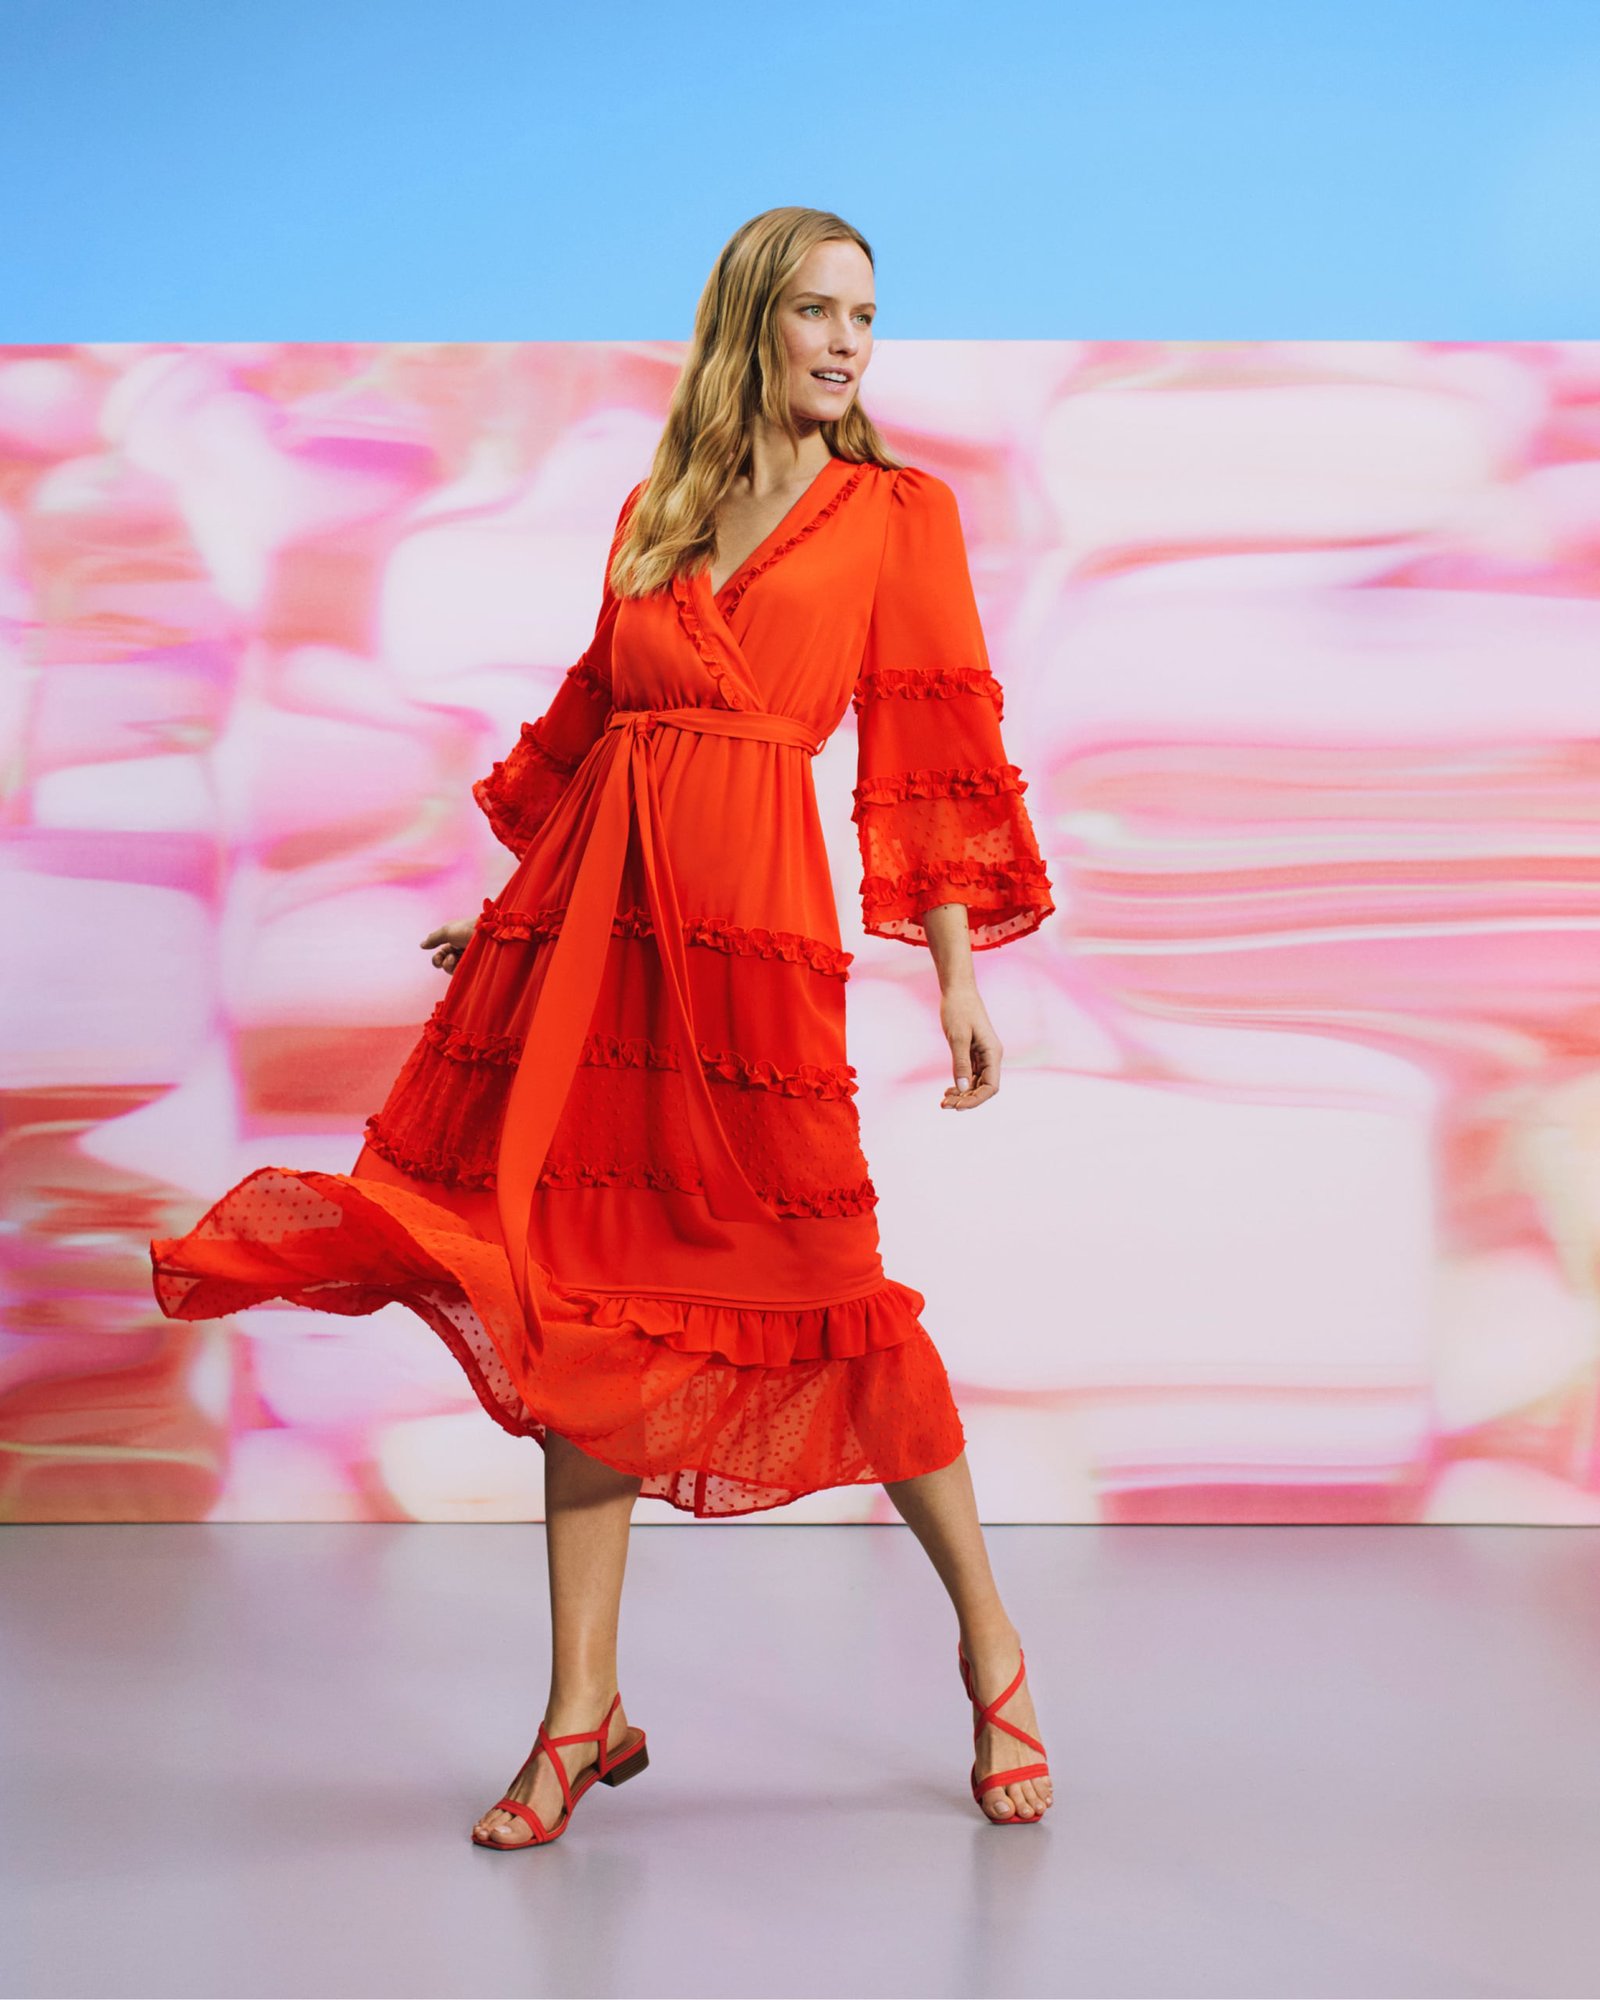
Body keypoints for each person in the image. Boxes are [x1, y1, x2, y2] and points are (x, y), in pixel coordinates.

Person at [150, 205, 1058, 1844]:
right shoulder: (663, 507)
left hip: (753, 949)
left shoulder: (896, 514)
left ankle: (991, 1648)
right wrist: (523, 911)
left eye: (867, 316)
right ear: (753, 323)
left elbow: (929, 745)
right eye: (817, 312)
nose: (847, 343)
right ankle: (583, 1712)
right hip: (601, 945)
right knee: (581, 1308)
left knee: (835, 1297)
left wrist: (957, 972)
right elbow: (595, 720)